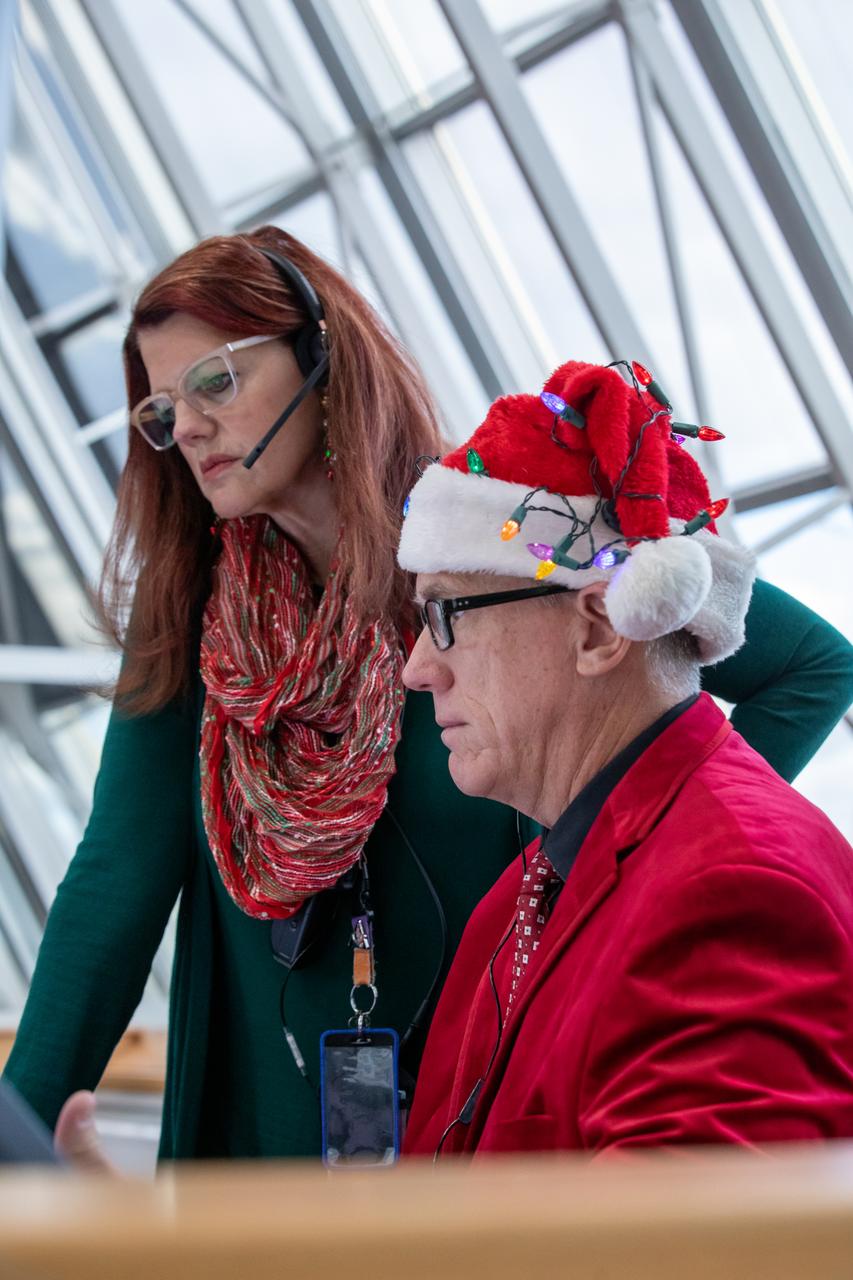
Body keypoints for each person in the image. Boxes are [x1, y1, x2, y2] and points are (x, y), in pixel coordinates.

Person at [4, 232, 853, 1161]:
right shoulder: (193, 617)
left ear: (325, 356)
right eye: (162, 411)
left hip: (505, 1078)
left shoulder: (485, 527)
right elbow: (112, 884)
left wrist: (611, 876)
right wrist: (18, 1139)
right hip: (269, 1107)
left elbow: (810, 666)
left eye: (215, 382)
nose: (190, 428)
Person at [397, 357, 853, 1157]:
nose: (417, 668)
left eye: (445, 615)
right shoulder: (539, 877)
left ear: (600, 629)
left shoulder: (731, 894)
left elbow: (690, 1259)